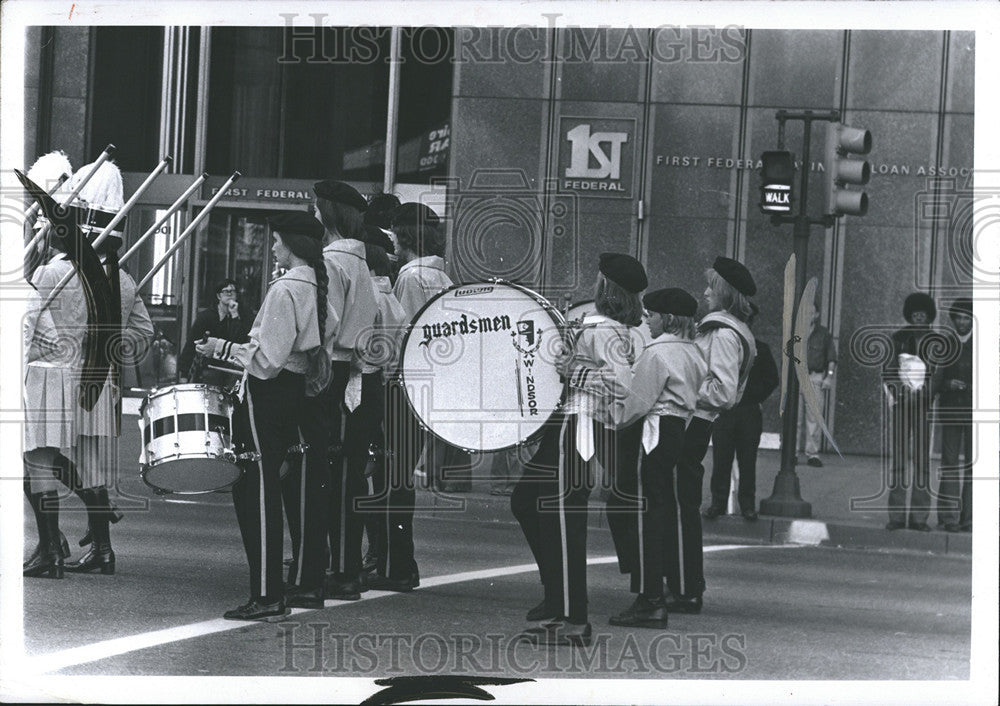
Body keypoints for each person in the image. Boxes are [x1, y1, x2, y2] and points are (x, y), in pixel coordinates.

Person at [196, 211, 336, 620]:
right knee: (271, 489)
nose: (273, 248)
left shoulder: (286, 288)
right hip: (296, 393)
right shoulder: (316, 284)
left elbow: (266, 360)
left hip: (266, 394)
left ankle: (266, 595)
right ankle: (274, 591)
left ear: (292, 245)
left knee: (256, 493)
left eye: (277, 242)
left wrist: (221, 349)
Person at [511, 252, 647, 647]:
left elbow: (621, 385)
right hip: (570, 427)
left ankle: (572, 620)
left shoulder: (603, 331)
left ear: (605, 287)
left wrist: (574, 370)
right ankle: (557, 599)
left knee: (564, 524)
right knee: (526, 501)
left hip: (578, 427)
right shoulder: (608, 329)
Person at [601, 288, 707, 629]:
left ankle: (650, 599)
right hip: (678, 427)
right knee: (661, 509)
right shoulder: (693, 352)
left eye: (653, 315)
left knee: (645, 512)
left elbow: (636, 404)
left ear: (669, 319)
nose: (647, 319)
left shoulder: (657, 352)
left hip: (654, 430)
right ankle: (659, 592)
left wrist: (612, 417)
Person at [370, 202, 452, 593]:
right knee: (400, 478)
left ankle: (395, 564)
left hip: (401, 386)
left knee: (391, 479)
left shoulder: (409, 278)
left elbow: (398, 336)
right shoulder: (443, 278)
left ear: (405, 236)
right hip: (428, 388)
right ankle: (402, 562)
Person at [668, 257, 756, 615]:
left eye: (711, 286)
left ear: (724, 292)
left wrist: (677, 384)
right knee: (681, 506)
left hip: (692, 424)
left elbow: (722, 392)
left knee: (679, 508)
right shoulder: (729, 330)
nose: (704, 292)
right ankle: (685, 585)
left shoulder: (722, 333)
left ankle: (686, 588)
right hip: (695, 425)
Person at [313, 179, 380, 601]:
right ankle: (347, 566)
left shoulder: (331, 262)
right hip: (360, 374)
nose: (314, 215)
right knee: (350, 476)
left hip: (333, 371)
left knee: (327, 474)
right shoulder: (361, 263)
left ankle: (336, 569)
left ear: (330, 213)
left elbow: (327, 326)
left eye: (317, 208)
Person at [356, 233, 408, 576]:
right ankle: (381, 556)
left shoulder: (370, 297)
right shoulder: (393, 302)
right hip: (389, 388)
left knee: (365, 476)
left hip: (366, 386)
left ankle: (374, 555)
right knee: (382, 478)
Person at [704, 304, 779, 521]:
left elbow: (771, 380)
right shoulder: (730, 347)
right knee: (722, 459)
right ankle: (719, 503)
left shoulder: (760, 349)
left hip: (746, 410)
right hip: (729, 411)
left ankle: (746, 504)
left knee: (747, 461)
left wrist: (752, 397)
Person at [882, 292, 938, 532]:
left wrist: (925, 392)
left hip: (924, 405)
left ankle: (919, 518)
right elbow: (889, 370)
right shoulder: (898, 338)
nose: (918, 317)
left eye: (922, 314)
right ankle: (896, 516)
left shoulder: (937, 341)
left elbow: (939, 371)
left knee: (922, 461)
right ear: (909, 315)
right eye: (914, 314)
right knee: (899, 460)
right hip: (903, 405)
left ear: (928, 315)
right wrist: (901, 392)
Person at [935, 298, 973, 533]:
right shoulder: (945, 344)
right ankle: (948, 518)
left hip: (974, 412)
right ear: (953, 320)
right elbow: (936, 381)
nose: (961, 322)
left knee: (973, 465)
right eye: (958, 317)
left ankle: (969, 518)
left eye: (966, 318)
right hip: (950, 411)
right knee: (949, 464)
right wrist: (948, 383)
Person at [178, 279, 250, 386]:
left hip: (233, 369)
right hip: (211, 369)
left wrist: (234, 315)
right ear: (218, 296)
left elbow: (239, 341)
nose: (230, 294)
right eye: (226, 291)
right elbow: (190, 345)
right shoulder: (206, 317)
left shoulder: (241, 317)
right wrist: (183, 375)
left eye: (233, 291)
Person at [798, 308, 838, 467]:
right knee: (794, 418)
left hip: (815, 376)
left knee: (814, 417)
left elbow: (831, 358)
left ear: (816, 314)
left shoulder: (823, 334)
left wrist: (828, 376)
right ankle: (791, 453)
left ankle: (812, 454)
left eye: (811, 311)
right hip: (797, 377)